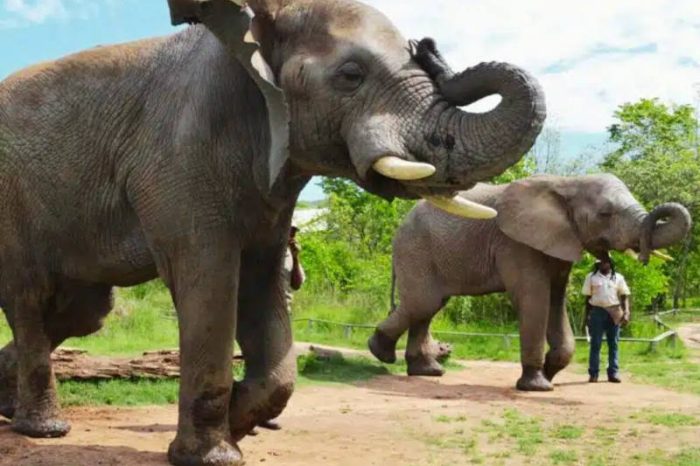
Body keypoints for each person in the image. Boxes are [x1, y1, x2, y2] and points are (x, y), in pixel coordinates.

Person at [252, 226, 305, 433]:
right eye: (288, 231)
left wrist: (296, 255)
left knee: (274, 369)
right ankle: (245, 414)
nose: (291, 235)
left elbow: (297, 283)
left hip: (282, 316)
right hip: (260, 314)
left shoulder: (290, 256)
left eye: (292, 232)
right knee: (257, 364)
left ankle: (262, 415)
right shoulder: (264, 251)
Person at [582, 258, 631, 384]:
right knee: (595, 344)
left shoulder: (618, 277)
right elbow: (587, 298)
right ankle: (593, 374)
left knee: (613, 343)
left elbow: (624, 295)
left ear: (610, 263)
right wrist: (586, 317)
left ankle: (613, 373)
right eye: (599, 263)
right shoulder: (591, 277)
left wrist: (626, 312)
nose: (602, 264)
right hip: (597, 311)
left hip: (614, 311)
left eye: (605, 262)